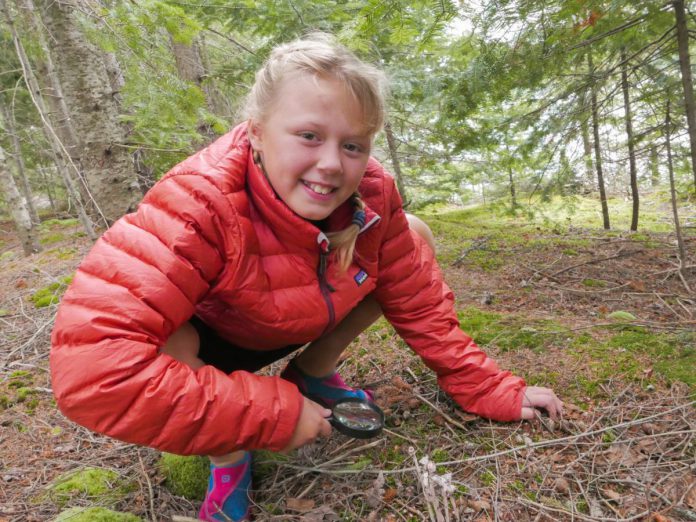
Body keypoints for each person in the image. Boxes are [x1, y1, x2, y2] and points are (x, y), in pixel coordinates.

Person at [50, 34, 563, 522]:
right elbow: (93, 372)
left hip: (293, 320)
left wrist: (488, 387)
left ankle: (313, 373)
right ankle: (229, 459)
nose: (332, 165)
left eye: (354, 145)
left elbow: (418, 297)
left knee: (413, 235)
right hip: (212, 347)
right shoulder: (197, 204)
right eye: (309, 136)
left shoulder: (374, 192)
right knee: (164, 339)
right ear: (256, 131)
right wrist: (268, 414)